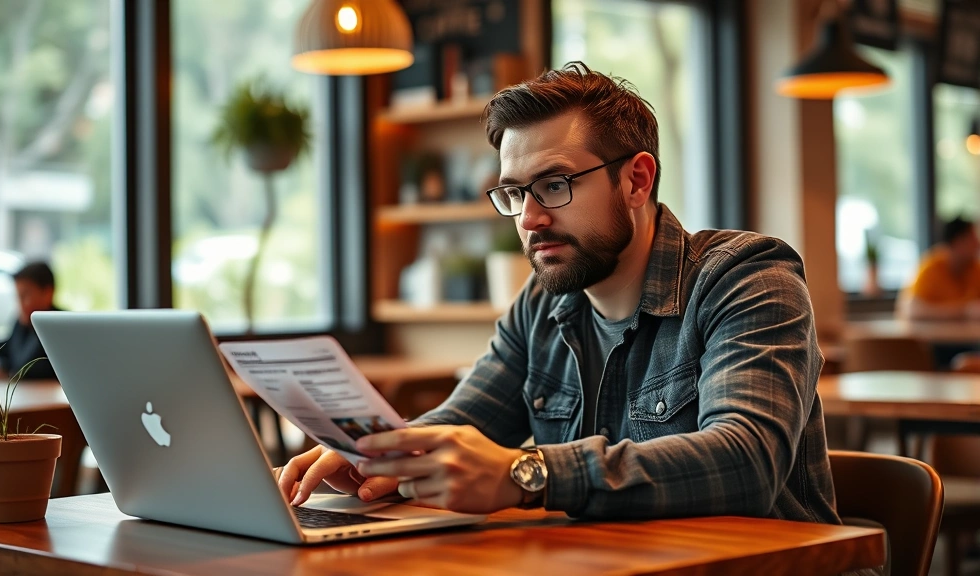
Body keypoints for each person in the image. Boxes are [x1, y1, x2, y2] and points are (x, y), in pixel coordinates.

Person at [279, 61, 847, 542]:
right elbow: (460, 423)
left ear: (636, 180)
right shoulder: (542, 305)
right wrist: (374, 456)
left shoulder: (745, 277)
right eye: (514, 193)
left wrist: (528, 474)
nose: (529, 219)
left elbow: (747, 460)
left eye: (555, 185)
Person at [898, 216, 980, 320]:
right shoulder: (931, 268)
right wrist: (963, 311)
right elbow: (911, 309)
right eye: (973, 238)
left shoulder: (975, 269)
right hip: (931, 336)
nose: (978, 244)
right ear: (958, 241)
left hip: (968, 335)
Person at [0, 261, 60, 380]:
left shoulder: (61, 326)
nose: (20, 304)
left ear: (47, 293)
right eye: (18, 296)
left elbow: (37, 370)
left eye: (25, 296)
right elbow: (5, 357)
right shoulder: (20, 323)